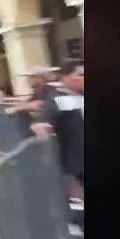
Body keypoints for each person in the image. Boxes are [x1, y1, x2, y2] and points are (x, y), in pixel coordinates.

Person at [41, 60, 84, 200]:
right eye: (80, 75)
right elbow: (44, 124)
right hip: (76, 166)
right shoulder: (57, 99)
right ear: (65, 78)